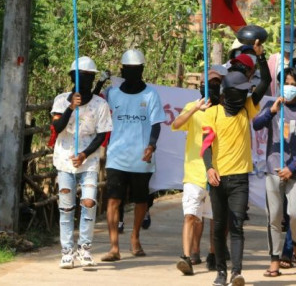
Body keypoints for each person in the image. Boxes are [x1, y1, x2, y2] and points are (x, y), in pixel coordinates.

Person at [202, 40, 269, 286]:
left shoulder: (247, 109)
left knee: (237, 225)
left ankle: (236, 272)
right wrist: (209, 168)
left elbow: (265, 83)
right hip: (218, 179)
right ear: (228, 92)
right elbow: (205, 146)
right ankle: (220, 272)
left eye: (245, 92)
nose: (244, 95)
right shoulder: (213, 113)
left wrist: (261, 58)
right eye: (240, 91)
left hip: (240, 177)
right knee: (219, 228)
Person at [101, 49, 166, 262]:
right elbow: (93, 106)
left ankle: (135, 237)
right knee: (113, 200)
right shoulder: (112, 93)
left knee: (140, 201)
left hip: (142, 158)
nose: (132, 73)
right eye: (128, 70)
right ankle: (113, 247)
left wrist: (152, 145)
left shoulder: (151, 95)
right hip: (117, 156)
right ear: (122, 70)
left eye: (136, 70)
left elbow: (156, 123)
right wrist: (99, 83)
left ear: (142, 70)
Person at [252, 68, 296, 277]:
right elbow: (256, 124)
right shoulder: (273, 106)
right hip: (273, 168)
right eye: (285, 83)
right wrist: (271, 110)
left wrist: (292, 168)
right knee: (274, 216)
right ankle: (274, 259)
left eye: (293, 84)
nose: (288, 87)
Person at [51, 57, 112, 268]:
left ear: (93, 78)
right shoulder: (61, 100)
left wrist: (85, 154)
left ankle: (84, 248)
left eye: (88, 77)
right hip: (65, 159)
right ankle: (67, 251)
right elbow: (57, 128)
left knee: (88, 202)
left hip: (88, 160)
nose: (84, 81)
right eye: (79, 77)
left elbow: (102, 134)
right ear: (72, 78)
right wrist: (70, 107)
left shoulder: (100, 104)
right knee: (66, 207)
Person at [172, 68, 223, 275]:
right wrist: (195, 109)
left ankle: (213, 253)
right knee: (190, 216)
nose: (210, 86)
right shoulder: (191, 107)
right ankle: (186, 257)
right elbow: (175, 124)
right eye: (206, 82)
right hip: (194, 172)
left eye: (215, 83)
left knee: (213, 217)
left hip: (217, 172)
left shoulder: (224, 110)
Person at [269, 25, 296, 96]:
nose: (288, 44)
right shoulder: (273, 59)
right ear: (281, 42)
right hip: (277, 97)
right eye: (286, 42)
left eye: (291, 42)